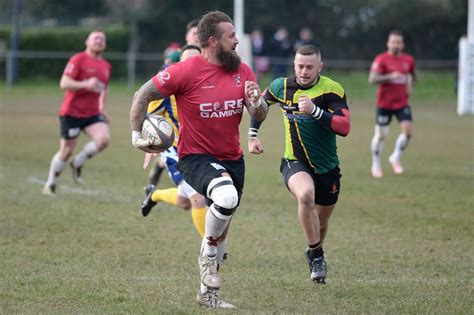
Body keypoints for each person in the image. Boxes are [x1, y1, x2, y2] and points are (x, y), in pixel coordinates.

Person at [130, 11, 268, 308]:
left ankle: (207, 294)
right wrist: (135, 135)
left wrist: (257, 103)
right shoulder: (185, 71)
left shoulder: (242, 71)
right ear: (212, 41)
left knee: (223, 228)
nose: (236, 41)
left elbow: (259, 113)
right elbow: (142, 94)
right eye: (231, 36)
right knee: (226, 197)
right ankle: (205, 256)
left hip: (233, 158)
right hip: (195, 157)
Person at [248, 45, 350, 284]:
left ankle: (314, 250)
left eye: (310, 67)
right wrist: (252, 135)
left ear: (320, 67)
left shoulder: (332, 89)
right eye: (300, 66)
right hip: (294, 162)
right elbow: (260, 108)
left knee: (322, 222)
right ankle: (317, 256)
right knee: (305, 196)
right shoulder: (280, 86)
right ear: (294, 64)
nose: (304, 71)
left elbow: (345, 127)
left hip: (327, 168)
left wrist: (315, 111)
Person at [141, 45, 208, 238]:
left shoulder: (209, 84)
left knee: (184, 202)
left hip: (200, 150)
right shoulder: (168, 90)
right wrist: (150, 145)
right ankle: (211, 248)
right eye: (188, 60)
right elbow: (150, 120)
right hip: (175, 151)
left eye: (198, 59)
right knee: (198, 198)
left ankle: (154, 195)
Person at [42, 30, 111, 196]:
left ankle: (78, 163)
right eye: (96, 38)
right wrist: (85, 84)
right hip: (71, 113)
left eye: (102, 39)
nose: (99, 41)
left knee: (103, 139)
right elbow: (64, 83)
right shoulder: (78, 59)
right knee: (66, 151)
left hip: (92, 113)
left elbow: (104, 88)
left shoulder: (106, 66)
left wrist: (102, 108)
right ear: (87, 42)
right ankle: (50, 183)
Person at [149, 19, 201, 187]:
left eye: (201, 33)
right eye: (194, 33)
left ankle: (160, 166)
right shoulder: (176, 57)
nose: (198, 37)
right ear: (187, 36)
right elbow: (161, 84)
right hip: (171, 115)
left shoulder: (208, 57)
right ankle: (161, 165)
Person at [369, 30, 416, 178]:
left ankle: (395, 157)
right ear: (388, 43)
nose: (396, 45)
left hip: (402, 102)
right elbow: (372, 79)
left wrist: (410, 86)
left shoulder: (408, 60)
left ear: (403, 45)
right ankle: (375, 164)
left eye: (399, 42)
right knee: (381, 136)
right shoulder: (381, 59)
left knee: (408, 132)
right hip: (384, 104)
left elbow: (412, 75)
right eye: (393, 42)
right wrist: (390, 77)